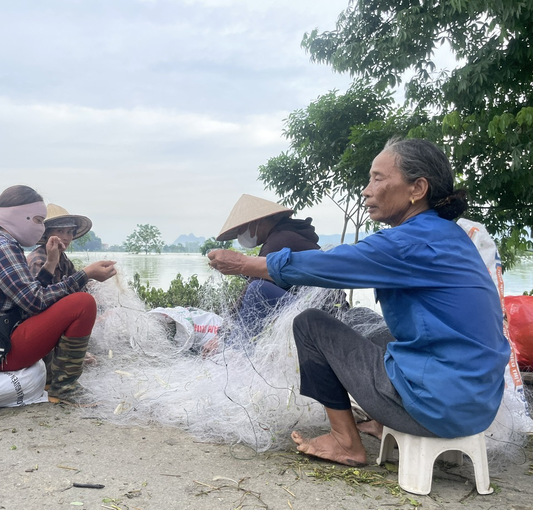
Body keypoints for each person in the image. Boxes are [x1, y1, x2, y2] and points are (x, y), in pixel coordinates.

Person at [208, 138, 510, 466]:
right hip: (476, 403)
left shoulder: (409, 241)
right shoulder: (446, 234)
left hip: (437, 406)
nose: (366, 190)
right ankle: (382, 422)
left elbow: (330, 264)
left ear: (418, 188)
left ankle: (345, 442)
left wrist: (243, 264)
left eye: (378, 179)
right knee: (367, 323)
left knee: (310, 325)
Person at [0, 185, 117, 402]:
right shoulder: (2, 247)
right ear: (20, 216)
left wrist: (50, 264)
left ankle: (51, 380)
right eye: (38, 220)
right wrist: (86, 274)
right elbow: (36, 303)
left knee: (70, 301)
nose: (40, 228)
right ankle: (64, 389)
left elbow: (27, 296)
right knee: (82, 303)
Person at [203, 194, 329, 355]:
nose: (240, 234)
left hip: (321, 314)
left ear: (258, 222)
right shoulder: (284, 235)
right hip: (313, 310)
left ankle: (234, 355)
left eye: (242, 228)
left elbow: (253, 288)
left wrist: (220, 336)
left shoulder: (279, 240)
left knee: (258, 289)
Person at [27, 203, 93, 285]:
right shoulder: (37, 260)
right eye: (60, 231)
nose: (66, 237)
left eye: (69, 232)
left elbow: (76, 282)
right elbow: (39, 295)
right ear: (46, 233)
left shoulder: (62, 258)